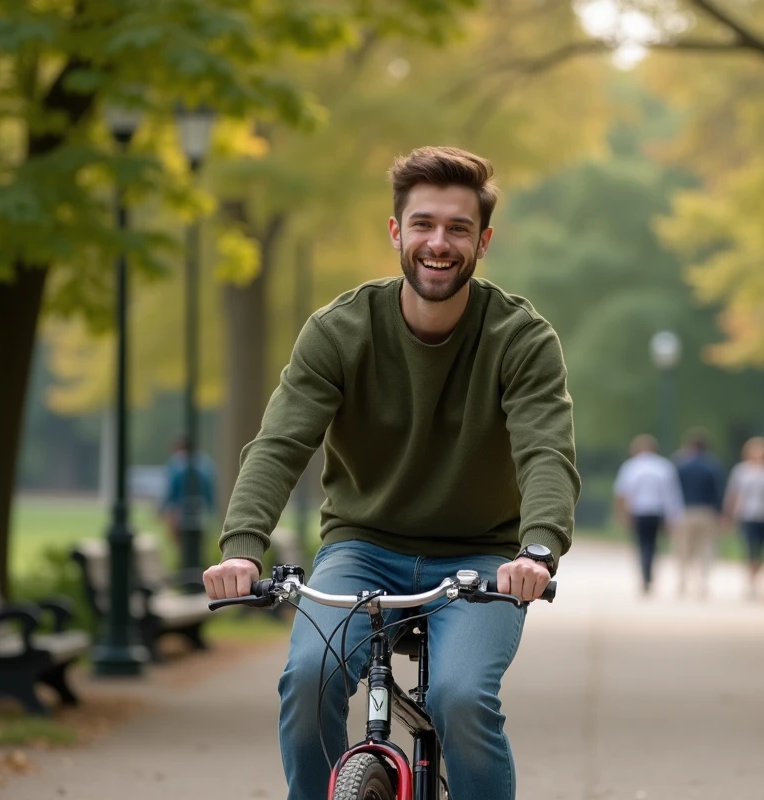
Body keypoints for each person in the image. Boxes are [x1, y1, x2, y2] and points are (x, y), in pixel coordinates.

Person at [202, 146, 579, 800]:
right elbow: (280, 443)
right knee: (310, 676)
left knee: (461, 697)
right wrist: (242, 546)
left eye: (458, 228)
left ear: (483, 241)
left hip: (482, 557)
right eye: (424, 224)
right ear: (396, 232)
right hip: (363, 547)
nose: (439, 242)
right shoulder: (340, 330)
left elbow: (546, 451)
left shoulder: (521, 338)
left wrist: (538, 550)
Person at [613, 434, 684, 595]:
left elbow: (623, 493)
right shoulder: (664, 466)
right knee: (653, 544)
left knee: (642, 544)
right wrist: (673, 516)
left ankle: (645, 573)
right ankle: (649, 572)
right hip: (657, 511)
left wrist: (622, 514)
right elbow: (671, 494)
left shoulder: (631, 466)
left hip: (638, 511)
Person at [722, 436, 764, 598]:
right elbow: (733, 495)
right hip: (747, 515)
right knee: (750, 549)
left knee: (762, 552)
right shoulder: (741, 471)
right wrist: (728, 515)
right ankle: (751, 583)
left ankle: (754, 580)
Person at [672, 429, 725, 600]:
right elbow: (719, 491)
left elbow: (672, 490)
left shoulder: (681, 465)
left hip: (685, 511)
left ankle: (682, 580)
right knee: (706, 548)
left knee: (683, 548)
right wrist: (720, 512)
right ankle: (702, 581)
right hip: (707, 512)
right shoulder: (713, 465)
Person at [159, 435, 216, 548]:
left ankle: (183, 561)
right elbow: (209, 489)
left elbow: (171, 490)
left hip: (180, 509)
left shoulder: (176, 463)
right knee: (198, 542)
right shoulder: (206, 463)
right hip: (201, 508)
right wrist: (211, 509)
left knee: (180, 541)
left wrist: (163, 509)